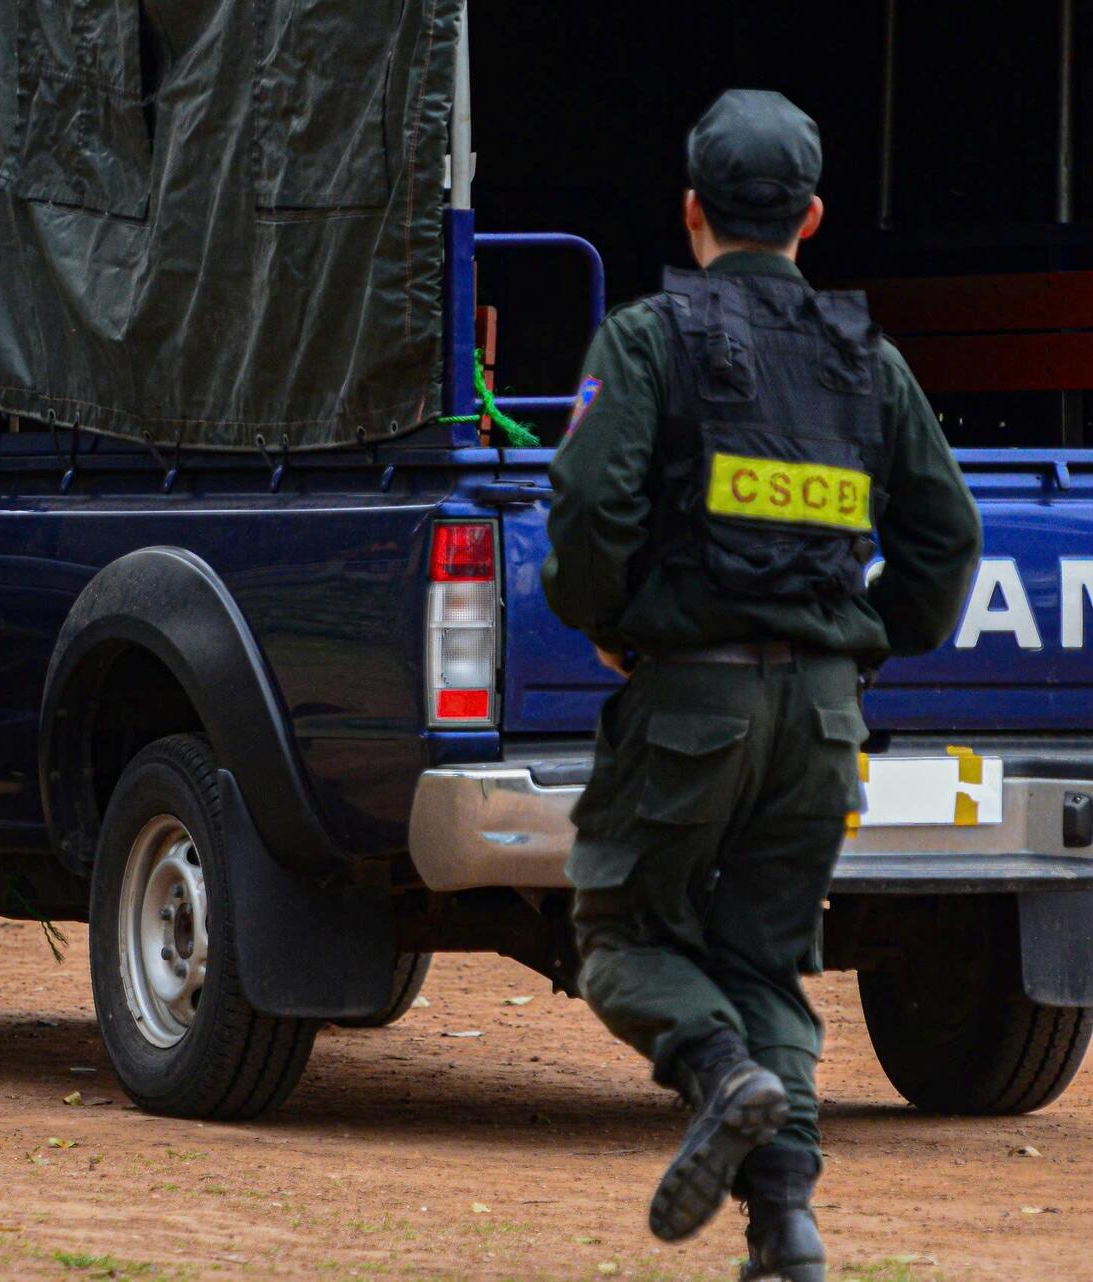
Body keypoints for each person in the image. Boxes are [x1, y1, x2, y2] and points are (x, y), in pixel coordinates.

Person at [543, 90, 982, 1281]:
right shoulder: (871, 363)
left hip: (691, 698)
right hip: (823, 717)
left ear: (691, 213)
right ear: (814, 217)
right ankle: (787, 1229)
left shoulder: (646, 340)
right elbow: (947, 539)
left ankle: (716, 1071)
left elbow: (590, 509)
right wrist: (863, 643)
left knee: (623, 929)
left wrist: (611, 622)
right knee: (766, 958)